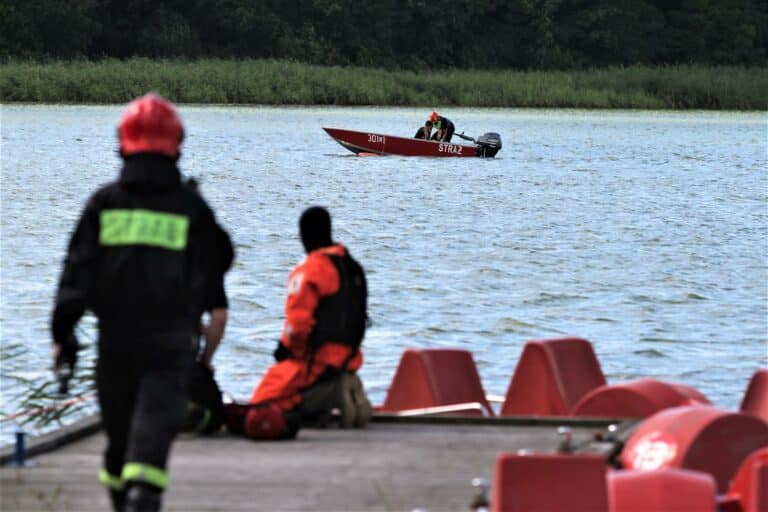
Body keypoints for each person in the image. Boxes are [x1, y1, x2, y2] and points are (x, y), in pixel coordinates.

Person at [51, 92, 232, 512]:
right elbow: (221, 256)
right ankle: (143, 496)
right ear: (177, 145)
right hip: (170, 342)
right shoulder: (190, 207)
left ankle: (128, 497)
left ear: (123, 143)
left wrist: (63, 334)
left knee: (118, 437)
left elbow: (75, 274)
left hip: (115, 341)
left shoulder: (103, 203)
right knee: (153, 426)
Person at [226, 206, 372, 440]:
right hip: (349, 359)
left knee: (262, 406)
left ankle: (330, 395)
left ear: (304, 235)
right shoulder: (353, 268)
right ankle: (346, 386)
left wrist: (285, 349)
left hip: (317, 362)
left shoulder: (311, 270)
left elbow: (298, 326)